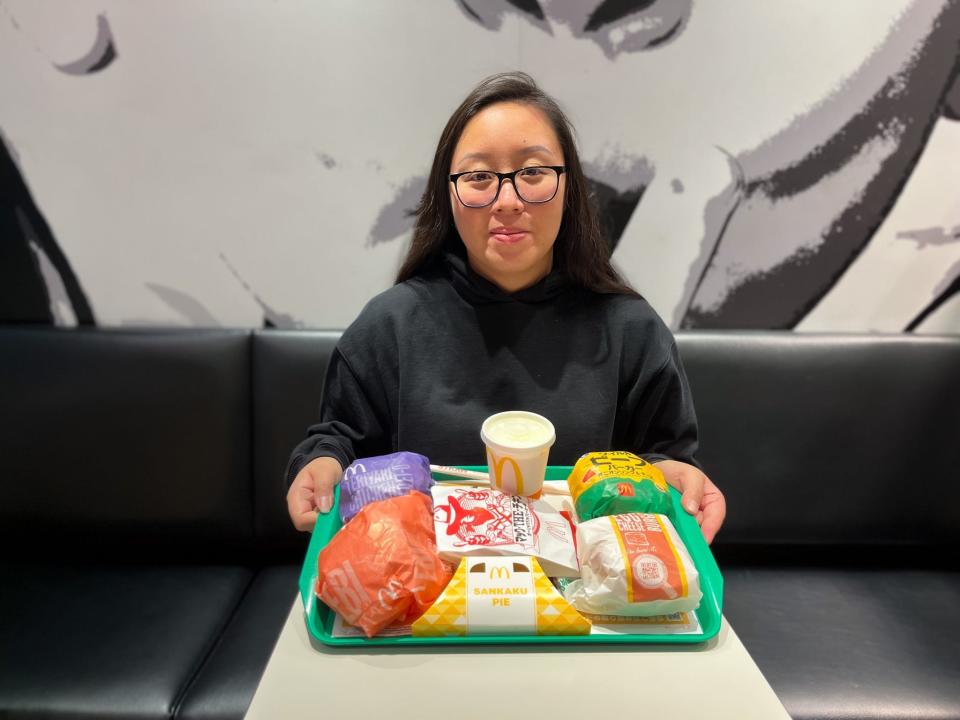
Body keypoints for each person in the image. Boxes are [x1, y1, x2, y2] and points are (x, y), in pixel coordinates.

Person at [286, 72, 726, 543]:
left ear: (569, 186)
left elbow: (662, 457)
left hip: (588, 597)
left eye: (533, 172)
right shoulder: (390, 324)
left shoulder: (631, 330)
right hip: (424, 595)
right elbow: (340, 441)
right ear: (448, 194)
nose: (508, 201)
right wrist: (322, 463)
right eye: (479, 177)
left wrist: (679, 477)